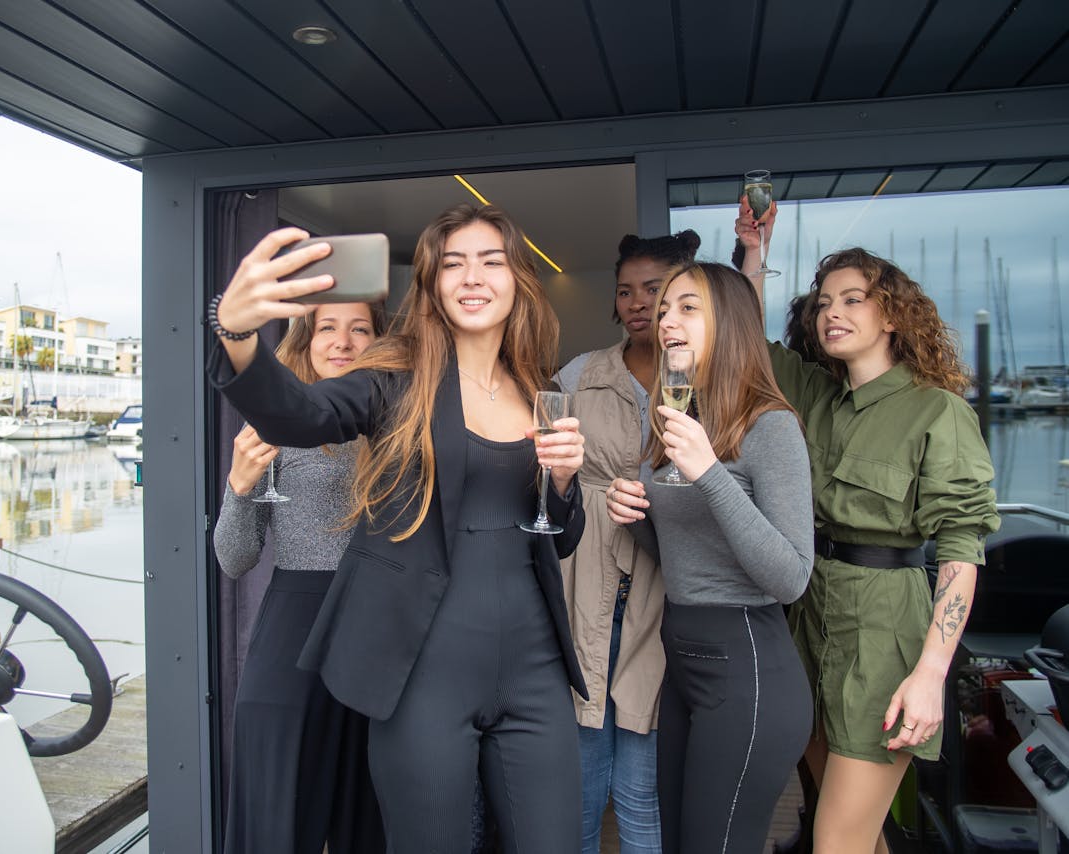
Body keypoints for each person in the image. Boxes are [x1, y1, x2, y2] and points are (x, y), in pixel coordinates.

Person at [211, 203, 589, 852]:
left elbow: (559, 539)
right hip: (422, 677)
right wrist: (236, 332)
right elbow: (298, 414)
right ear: (432, 285)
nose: (472, 277)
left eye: (490, 261)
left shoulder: (538, 387)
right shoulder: (394, 384)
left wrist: (561, 486)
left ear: (517, 279)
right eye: (453, 264)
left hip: (535, 672)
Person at [736, 204, 1000, 854]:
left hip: (883, 638)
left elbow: (962, 551)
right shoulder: (816, 396)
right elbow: (745, 340)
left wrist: (930, 673)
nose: (832, 312)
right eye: (824, 301)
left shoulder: (935, 411)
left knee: (835, 842)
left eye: (852, 300)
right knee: (851, 832)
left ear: (891, 315)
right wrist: (752, 254)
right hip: (808, 623)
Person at [604, 261, 814, 854]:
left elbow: (792, 577)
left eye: (687, 307)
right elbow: (683, 557)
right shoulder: (675, 420)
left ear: (732, 324)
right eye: (665, 308)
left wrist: (711, 475)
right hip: (684, 665)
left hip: (747, 668)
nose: (667, 319)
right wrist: (637, 518)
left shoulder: (770, 426)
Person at [213, 300, 387, 854]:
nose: (342, 341)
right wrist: (238, 487)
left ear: (379, 342)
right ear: (305, 339)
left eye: (359, 328)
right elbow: (234, 560)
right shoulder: (274, 424)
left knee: (372, 812)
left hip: (381, 628)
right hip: (295, 626)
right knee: (277, 809)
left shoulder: (402, 425)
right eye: (326, 328)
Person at [555, 231, 700, 854]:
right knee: (579, 791)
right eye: (626, 291)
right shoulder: (581, 374)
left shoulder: (704, 379)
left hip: (663, 603)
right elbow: (541, 469)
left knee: (643, 795)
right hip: (586, 591)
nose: (638, 302)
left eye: (654, 289)